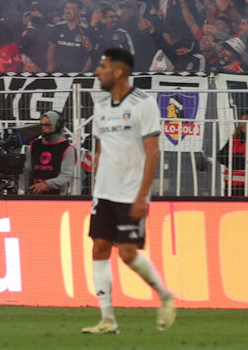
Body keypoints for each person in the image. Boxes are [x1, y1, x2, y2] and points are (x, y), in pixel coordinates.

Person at [83, 47, 175, 334]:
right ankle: (107, 320)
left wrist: (142, 195)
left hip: (131, 193)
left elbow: (153, 153)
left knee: (126, 253)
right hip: (104, 193)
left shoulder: (143, 104)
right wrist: (97, 181)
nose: (98, 72)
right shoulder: (100, 106)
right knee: (98, 247)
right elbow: (100, 149)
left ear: (118, 72)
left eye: (103, 67)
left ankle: (165, 295)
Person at [24, 110, 77, 195]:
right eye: (42, 125)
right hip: (33, 196)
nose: (43, 128)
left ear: (58, 126)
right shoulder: (34, 145)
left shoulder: (67, 149)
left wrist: (46, 184)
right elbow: (26, 171)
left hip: (57, 198)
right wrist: (22, 190)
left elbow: (65, 176)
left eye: (47, 125)